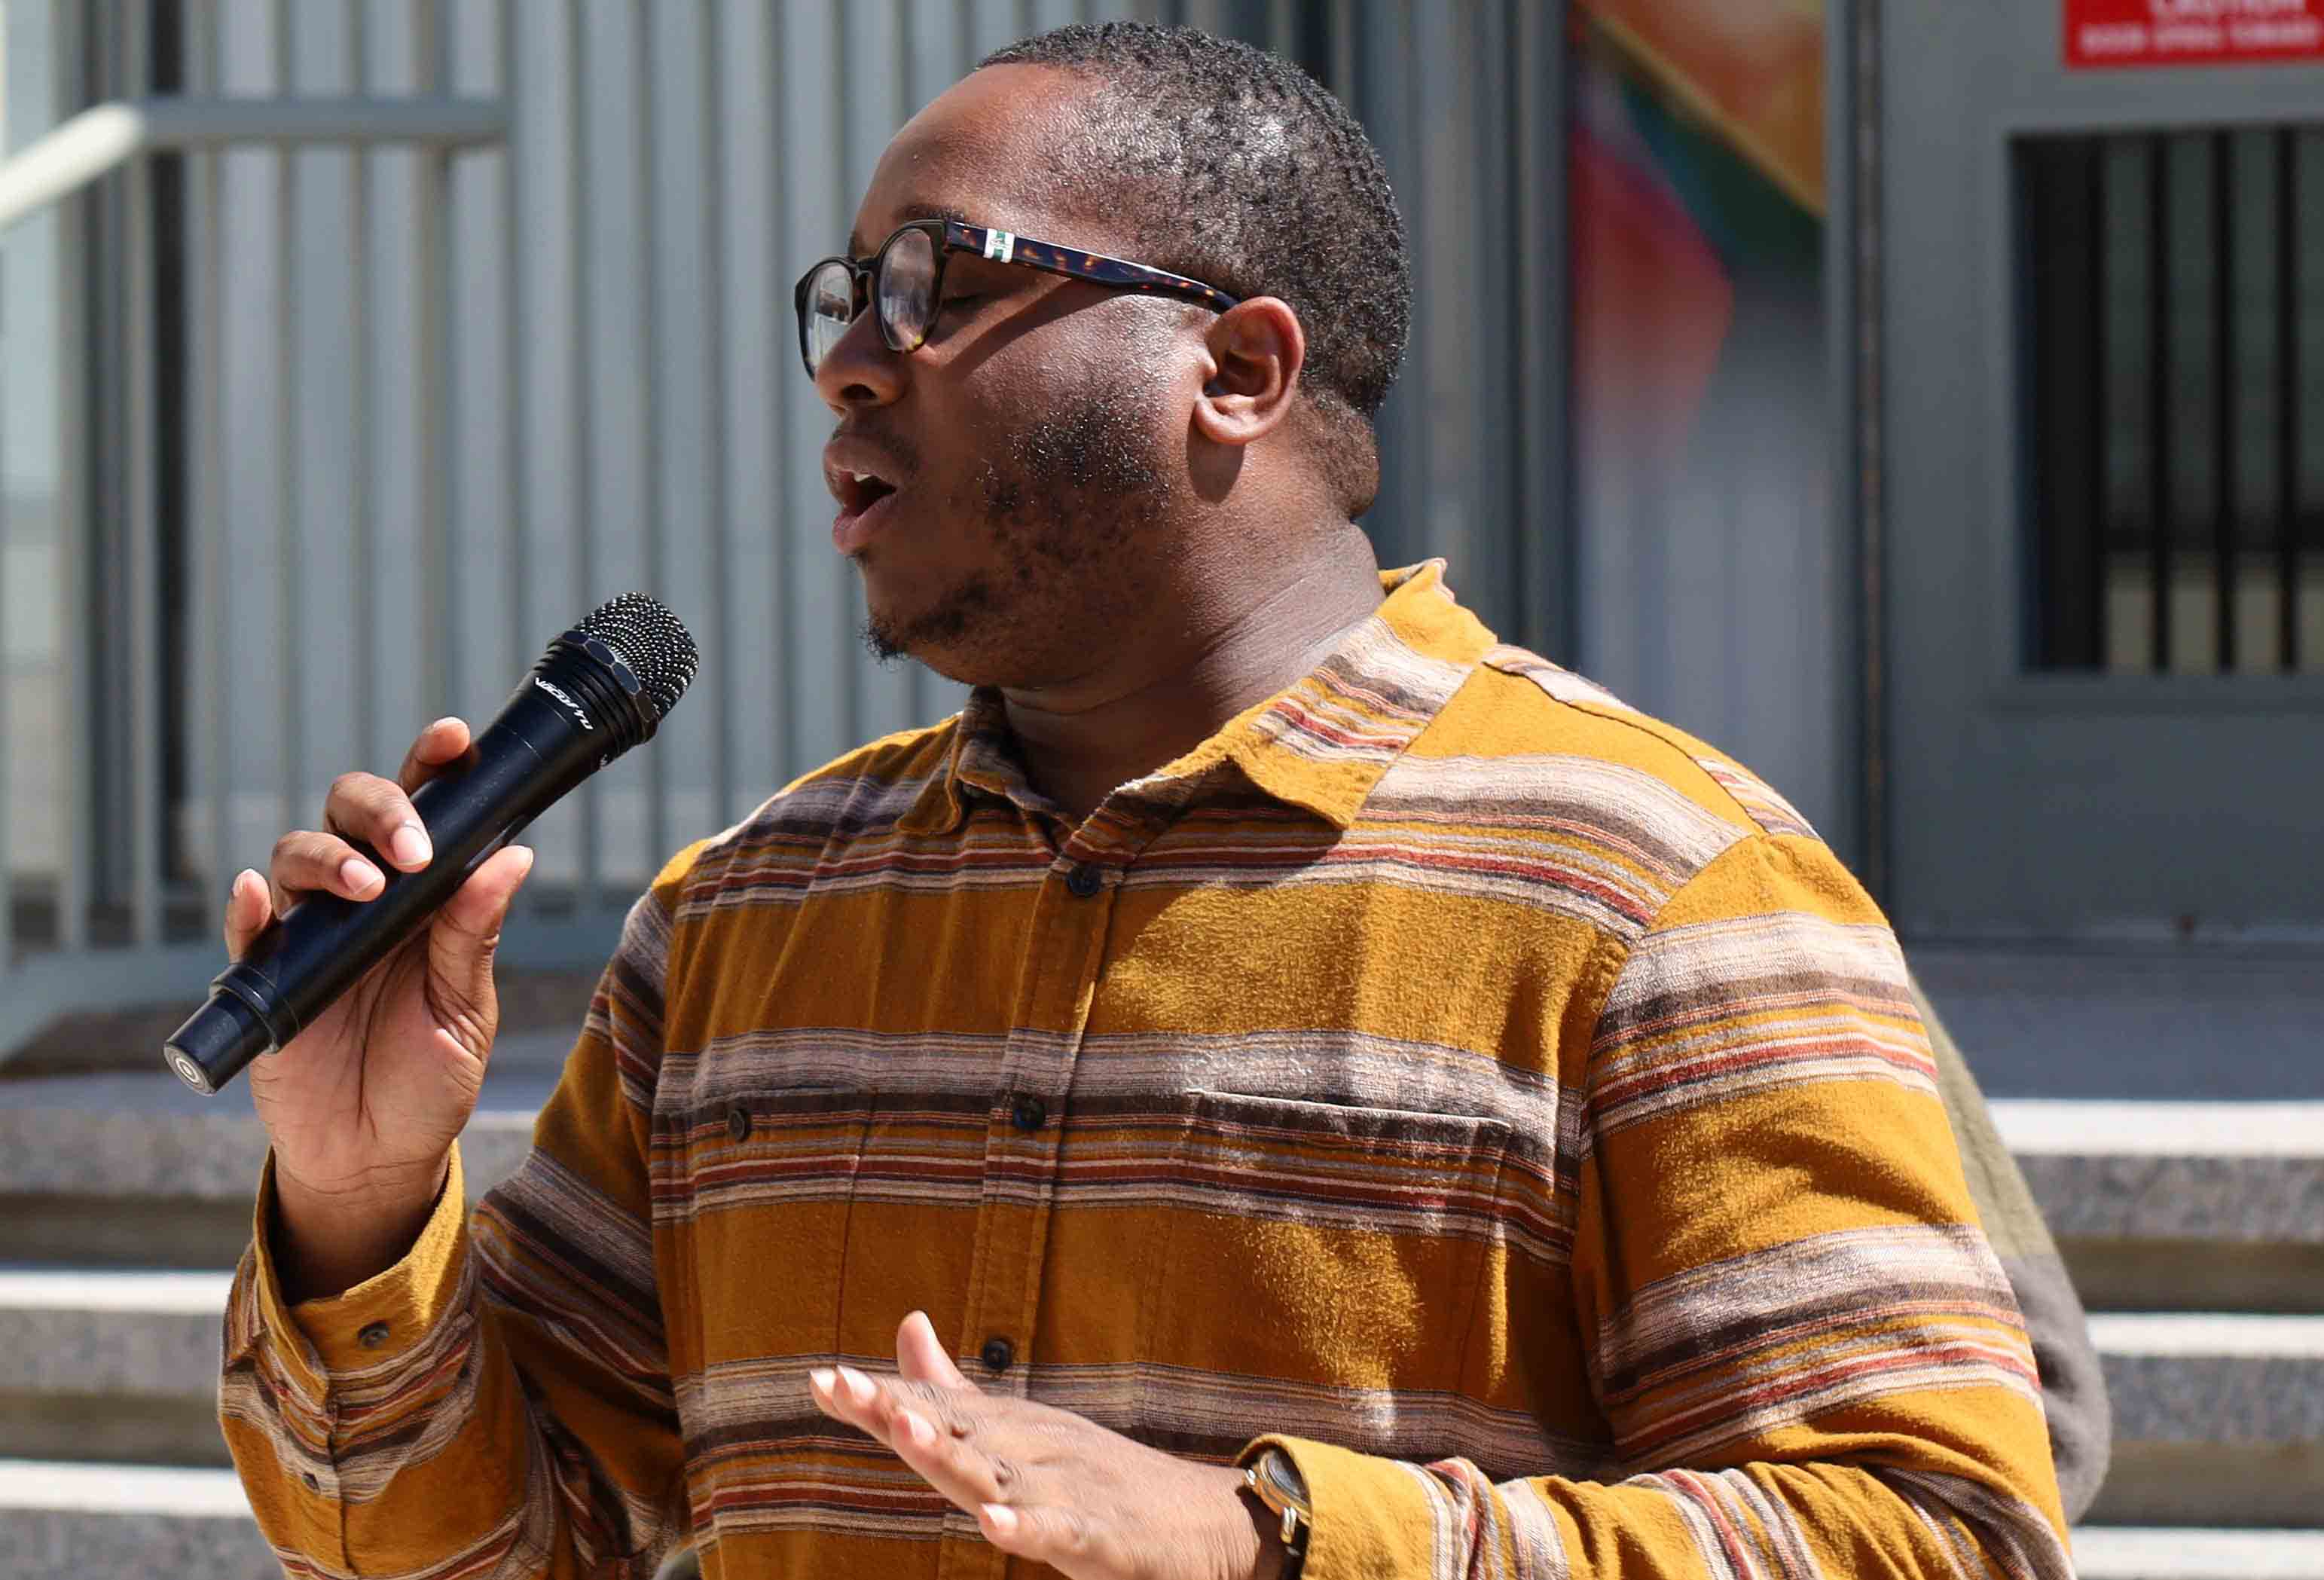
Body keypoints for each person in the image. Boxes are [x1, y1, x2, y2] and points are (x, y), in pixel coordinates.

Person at [219, 23, 2087, 1579]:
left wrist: (1265, 1536)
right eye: (845, 300)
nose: (851, 360)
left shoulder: (1655, 887)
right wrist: (360, 1202)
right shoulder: (739, 924)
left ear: (1238, 368)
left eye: (938, 284)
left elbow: (1934, 1533)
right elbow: (497, 1548)